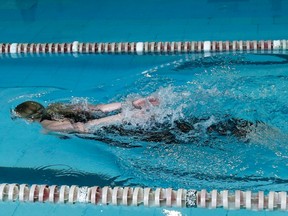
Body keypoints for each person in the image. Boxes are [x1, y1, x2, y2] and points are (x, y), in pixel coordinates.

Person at [12, 97, 256, 145]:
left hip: (119, 127)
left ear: (29, 119)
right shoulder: (59, 106)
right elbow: (99, 108)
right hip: (119, 117)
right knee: (180, 124)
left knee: (179, 137)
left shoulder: (46, 124)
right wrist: (131, 105)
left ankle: (238, 132)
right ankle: (237, 126)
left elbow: (82, 127)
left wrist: (124, 116)